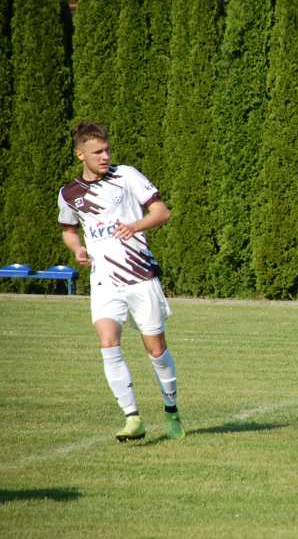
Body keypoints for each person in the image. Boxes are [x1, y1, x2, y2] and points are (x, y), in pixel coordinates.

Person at [58, 121, 185, 442]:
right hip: (104, 279)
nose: (104, 156)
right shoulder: (69, 194)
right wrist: (77, 250)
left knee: (156, 350)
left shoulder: (126, 175)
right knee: (107, 343)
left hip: (140, 274)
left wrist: (135, 226)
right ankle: (132, 418)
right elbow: (69, 230)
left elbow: (162, 212)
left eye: (107, 150)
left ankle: (172, 412)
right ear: (80, 155)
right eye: (97, 152)